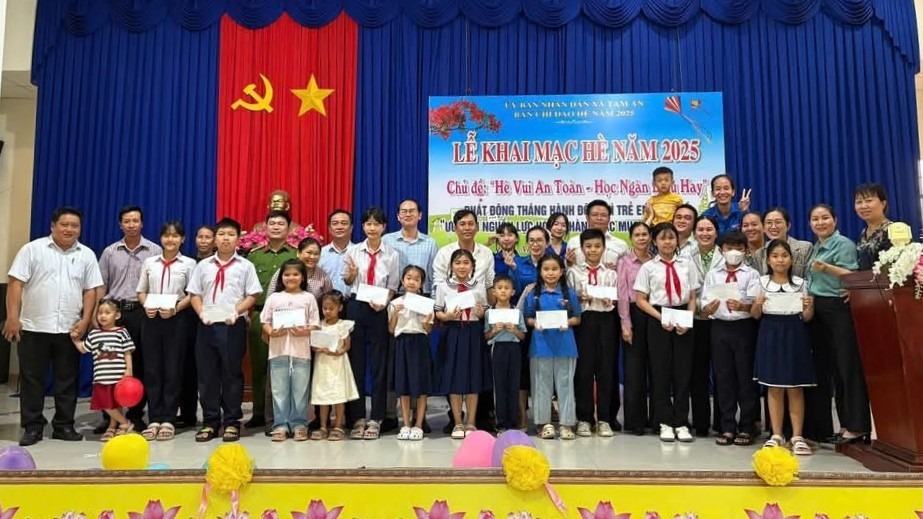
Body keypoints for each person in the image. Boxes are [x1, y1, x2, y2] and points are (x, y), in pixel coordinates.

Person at [5, 206, 103, 447]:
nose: (69, 229)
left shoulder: (87, 255)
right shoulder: (32, 249)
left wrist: (85, 320)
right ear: (53, 226)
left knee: (67, 380)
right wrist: (12, 317)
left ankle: (64, 425)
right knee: (32, 379)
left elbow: (91, 290)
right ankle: (32, 426)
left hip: (70, 328)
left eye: (74, 225)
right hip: (34, 326)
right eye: (64, 224)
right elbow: (16, 283)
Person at [187, 217, 262, 443]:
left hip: (232, 325)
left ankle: (231, 421)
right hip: (207, 325)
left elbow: (253, 294)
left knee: (231, 374)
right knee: (207, 375)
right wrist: (201, 313)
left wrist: (237, 311)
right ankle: (210, 421)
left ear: (238, 239)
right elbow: (194, 294)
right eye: (221, 234)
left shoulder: (245, 266)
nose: (225, 238)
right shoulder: (203, 266)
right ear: (215, 239)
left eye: (230, 234)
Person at [805, 204, 871, 444]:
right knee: (833, 369)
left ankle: (858, 425)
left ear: (835, 220)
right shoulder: (816, 246)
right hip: (819, 309)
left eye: (825, 218)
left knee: (847, 367)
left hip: (838, 308)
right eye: (815, 219)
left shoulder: (843, 244)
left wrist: (827, 268)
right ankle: (844, 425)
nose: (820, 223)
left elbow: (853, 276)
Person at [96, 205, 162, 432]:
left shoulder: (154, 251)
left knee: (140, 363)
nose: (131, 225)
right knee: (110, 364)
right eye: (127, 221)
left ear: (142, 223)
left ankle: (136, 413)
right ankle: (110, 417)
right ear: (120, 224)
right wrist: (98, 315)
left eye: (135, 221)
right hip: (114, 313)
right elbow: (102, 284)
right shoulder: (110, 252)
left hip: (143, 313)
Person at [634, 222, 700, 443]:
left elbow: (693, 296)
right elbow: (640, 299)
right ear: (655, 241)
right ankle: (664, 421)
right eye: (662, 238)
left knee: (683, 372)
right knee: (660, 372)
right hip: (658, 318)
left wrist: (688, 319)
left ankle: (681, 422)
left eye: (671, 237)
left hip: (683, 316)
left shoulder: (687, 264)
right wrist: (660, 317)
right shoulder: (648, 268)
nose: (667, 242)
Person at [749, 239, 817, 455]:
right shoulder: (761, 282)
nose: (780, 260)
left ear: (791, 259)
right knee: (774, 386)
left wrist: (809, 307)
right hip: (770, 333)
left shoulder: (801, 283)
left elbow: (807, 317)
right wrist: (757, 304)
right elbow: (755, 315)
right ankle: (776, 434)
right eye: (775, 256)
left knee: (795, 387)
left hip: (794, 334)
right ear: (768, 260)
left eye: (784, 256)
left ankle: (797, 436)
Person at [343, 207, 400, 440]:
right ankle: (357, 417)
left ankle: (376, 418)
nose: (372, 228)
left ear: (384, 227)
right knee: (356, 363)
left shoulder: (392, 254)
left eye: (377, 224)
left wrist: (384, 302)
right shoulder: (353, 251)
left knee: (379, 365)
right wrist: (351, 275)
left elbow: (393, 286)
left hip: (379, 309)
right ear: (363, 226)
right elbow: (348, 282)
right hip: (357, 306)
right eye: (368, 224)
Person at [136, 221, 196, 441]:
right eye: (166, 236)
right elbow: (141, 290)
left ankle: (169, 418)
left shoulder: (189, 264)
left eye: (175, 236)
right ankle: (154, 418)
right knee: (152, 370)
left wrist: (175, 309)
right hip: (151, 320)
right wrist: (146, 305)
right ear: (161, 238)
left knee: (173, 369)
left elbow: (193, 293)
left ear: (183, 239)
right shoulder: (149, 262)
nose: (170, 240)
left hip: (177, 319)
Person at [699, 231, 760, 446]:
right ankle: (727, 427)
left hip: (744, 328)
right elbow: (703, 304)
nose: (734, 252)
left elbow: (755, 305)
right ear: (721, 250)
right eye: (729, 248)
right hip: (719, 327)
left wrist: (743, 306)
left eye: (739, 248)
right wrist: (708, 308)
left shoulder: (751, 274)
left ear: (745, 251)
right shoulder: (713, 274)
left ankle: (747, 426)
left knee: (745, 377)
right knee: (723, 377)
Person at [246, 211, 298, 431]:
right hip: (260, 315)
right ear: (265, 227)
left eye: (281, 223)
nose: (276, 227)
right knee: (259, 365)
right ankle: (259, 412)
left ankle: (283, 413)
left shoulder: (296, 254)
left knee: (286, 367)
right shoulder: (254, 256)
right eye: (272, 223)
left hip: (290, 316)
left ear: (289, 228)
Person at [260, 259, 321, 442]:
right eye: (287, 274)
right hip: (278, 350)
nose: (291, 278)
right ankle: (280, 425)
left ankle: (299, 424)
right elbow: (265, 322)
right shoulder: (274, 298)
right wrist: (271, 332)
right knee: (279, 389)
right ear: (281, 277)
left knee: (300, 389)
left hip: (301, 351)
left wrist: (305, 331)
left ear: (303, 277)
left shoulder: (308, 298)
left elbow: (315, 324)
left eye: (295, 274)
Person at [568, 227, 620, 436]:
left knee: (606, 369)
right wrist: (579, 299)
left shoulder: (611, 274)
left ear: (604, 248)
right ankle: (584, 418)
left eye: (597, 246)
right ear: (582, 249)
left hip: (606, 321)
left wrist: (610, 301)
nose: (593, 250)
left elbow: (615, 300)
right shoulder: (573, 273)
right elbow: (569, 301)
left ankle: (604, 419)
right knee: (584, 370)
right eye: (588, 246)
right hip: (584, 322)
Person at [525, 254, 581, 440]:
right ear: (540, 272)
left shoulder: (568, 293)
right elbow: (528, 317)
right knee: (541, 386)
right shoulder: (533, 294)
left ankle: (566, 424)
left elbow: (577, 318)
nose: (550, 273)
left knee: (566, 386)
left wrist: (567, 322)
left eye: (554, 269)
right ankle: (543, 424)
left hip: (565, 346)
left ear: (562, 271)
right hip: (540, 347)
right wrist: (535, 323)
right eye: (546, 269)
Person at [435, 248, 490, 439]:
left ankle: (471, 422)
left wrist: (481, 313)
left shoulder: (478, 286)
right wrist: (447, 316)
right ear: (451, 266)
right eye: (457, 263)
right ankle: (458, 422)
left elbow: (484, 310)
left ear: (472, 266)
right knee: (454, 377)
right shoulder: (443, 286)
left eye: (466, 263)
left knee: (473, 376)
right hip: (452, 332)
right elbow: (438, 311)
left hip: (473, 331)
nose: (461, 266)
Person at [72, 300, 135, 441]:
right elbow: (83, 349)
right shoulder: (94, 334)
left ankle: (113, 427)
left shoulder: (121, 332)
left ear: (117, 315)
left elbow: (127, 352)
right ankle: (125, 422)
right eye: (100, 313)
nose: (103, 316)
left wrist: (129, 369)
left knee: (116, 404)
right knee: (105, 404)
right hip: (101, 377)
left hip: (118, 377)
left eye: (107, 312)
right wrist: (75, 340)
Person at [388, 266, 435, 440]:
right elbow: (391, 329)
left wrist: (426, 320)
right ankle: (406, 424)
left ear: (421, 284)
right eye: (408, 278)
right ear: (402, 280)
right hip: (402, 343)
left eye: (416, 279)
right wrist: (395, 314)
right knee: (403, 385)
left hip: (420, 343)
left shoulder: (426, 304)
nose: (412, 282)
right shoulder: (395, 303)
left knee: (421, 384)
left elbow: (428, 330)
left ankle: (419, 424)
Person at [177, 225, 216, 428]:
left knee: (210, 369)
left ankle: (213, 415)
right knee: (188, 367)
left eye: (208, 237)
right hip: (188, 318)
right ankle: (187, 413)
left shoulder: (219, 262)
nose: (203, 241)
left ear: (214, 240)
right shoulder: (188, 262)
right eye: (200, 236)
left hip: (214, 319)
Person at [618, 222, 654, 436]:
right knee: (634, 370)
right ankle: (635, 421)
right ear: (631, 239)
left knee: (657, 369)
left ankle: (657, 418)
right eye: (637, 235)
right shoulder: (624, 262)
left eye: (645, 234)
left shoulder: (656, 260)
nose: (641, 238)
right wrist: (626, 324)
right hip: (633, 314)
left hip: (655, 314)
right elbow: (622, 294)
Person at [689, 215, 723, 437]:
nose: (705, 233)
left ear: (716, 233)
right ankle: (701, 422)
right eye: (700, 230)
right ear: (694, 233)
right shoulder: (685, 256)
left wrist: (714, 307)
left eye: (709, 229)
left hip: (720, 319)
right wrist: (701, 308)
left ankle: (722, 421)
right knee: (697, 373)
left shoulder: (726, 255)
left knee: (722, 372)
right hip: (696, 320)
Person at [310, 291, 359, 441]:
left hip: (337, 364)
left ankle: (338, 425)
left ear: (340, 308)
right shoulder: (319, 325)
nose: (327, 311)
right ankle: (323, 426)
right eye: (325, 308)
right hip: (322, 364)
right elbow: (313, 344)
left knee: (338, 395)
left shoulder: (342, 325)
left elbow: (347, 346)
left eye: (331, 308)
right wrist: (318, 349)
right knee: (323, 396)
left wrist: (337, 352)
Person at [484, 275, 526, 433]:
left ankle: (513, 422)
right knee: (499, 386)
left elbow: (522, 335)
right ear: (494, 292)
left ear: (513, 292)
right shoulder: (489, 313)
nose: (503, 291)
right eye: (499, 288)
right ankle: (501, 423)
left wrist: (514, 330)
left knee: (513, 385)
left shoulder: (517, 312)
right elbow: (486, 336)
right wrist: (494, 330)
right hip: (498, 349)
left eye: (506, 288)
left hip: (514, 349)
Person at [383, 199, 438, 296]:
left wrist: (434, 300)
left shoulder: (430, 243)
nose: (408, 214)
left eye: (412, 211)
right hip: (393, 295)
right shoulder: (386, 240)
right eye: (404, 211)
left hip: (422, 296)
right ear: (398, 216)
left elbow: (434, 275)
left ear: (420, 215)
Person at [566, 200, 628, 268]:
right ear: (587, 217)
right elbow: (567, 269)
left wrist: (616, 269)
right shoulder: (574, 242)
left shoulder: (621, 245)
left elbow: (626, 269)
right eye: (594, 215)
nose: (599, 218)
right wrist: (569, 264)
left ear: (609, 218)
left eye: (603, 215)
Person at [756, 208, 812, 277]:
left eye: (778, 222)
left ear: (788, 226)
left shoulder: (805, 248)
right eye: (769, 223)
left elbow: (809, 277)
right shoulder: (759, 254)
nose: (773, 227)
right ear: (763, 228)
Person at [854, 183, 897, 270]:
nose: (863, 206)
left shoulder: (893, 230)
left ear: (883, 203)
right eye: (859, 202)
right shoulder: (863, 233)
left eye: (869, 201)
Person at [319, 209, 355, 296]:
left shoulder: (359, 252)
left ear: (351, 228)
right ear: (329, 229)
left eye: (344, 223)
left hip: (352, 302)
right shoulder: (320, 254)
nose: (339, 227)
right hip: (326, 302)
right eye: (335, 223)